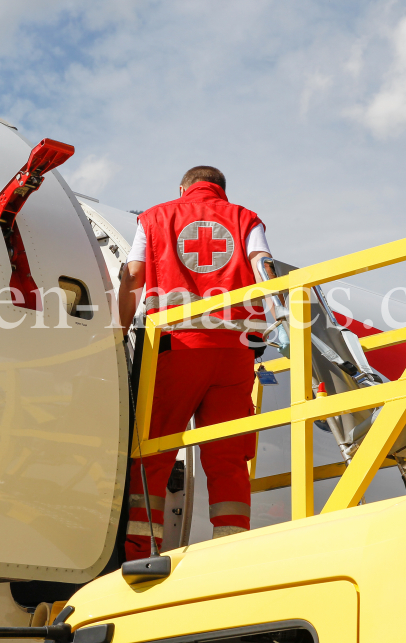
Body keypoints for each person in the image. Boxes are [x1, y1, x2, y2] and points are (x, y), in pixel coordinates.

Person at [118, 165, 271, 561]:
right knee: (228, 456)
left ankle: (141, 550)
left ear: (182, 188)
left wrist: (117, 332)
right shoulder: (245, 217)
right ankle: (230, 546)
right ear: (220, 190)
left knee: (153, 452)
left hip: (177, 350)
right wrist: (281, 321)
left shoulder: (154, 218)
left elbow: (134, 275)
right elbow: (263, 266)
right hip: (234, 353)